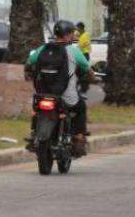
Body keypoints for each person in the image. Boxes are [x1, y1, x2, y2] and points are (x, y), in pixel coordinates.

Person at [27, 20, 91, 155]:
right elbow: (87, 69)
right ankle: (79, 138)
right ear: (67, 35)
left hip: (43, 93)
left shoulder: (43, 49)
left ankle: (34, 134)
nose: (74, 36)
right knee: (81, 107)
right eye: (73, 34)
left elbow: (29, 63)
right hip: (66, 97)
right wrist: (92, 79)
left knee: (38, 112)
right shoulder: (74, 51)